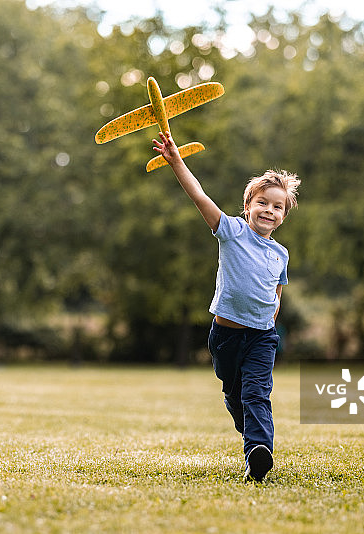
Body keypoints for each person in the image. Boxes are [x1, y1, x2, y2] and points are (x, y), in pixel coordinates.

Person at [152, 131, 300, 482]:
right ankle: (247, 427)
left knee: (257, 394)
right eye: (263, 202)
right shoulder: (231, 231)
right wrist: (176, 161)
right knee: (236, 397)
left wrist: (270, 318)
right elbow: (199, 196)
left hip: (262, 338)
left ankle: (258, 454)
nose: (269, 210)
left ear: (283, 215)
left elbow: (277, 292)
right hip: (226, 337)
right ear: (248, 206)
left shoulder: (282, 254)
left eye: (277, 206)